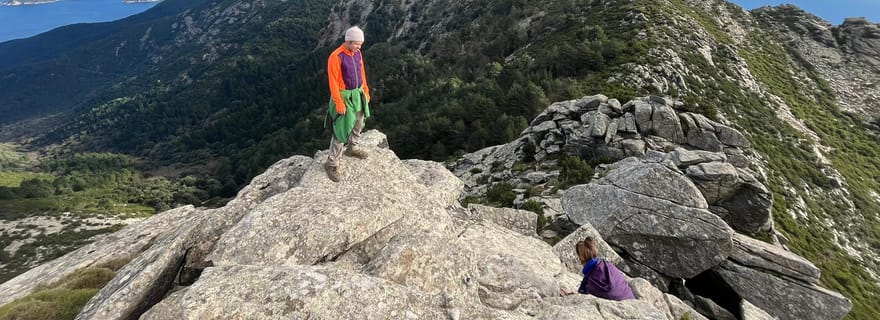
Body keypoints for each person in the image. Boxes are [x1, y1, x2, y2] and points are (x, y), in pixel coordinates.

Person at [324, 26, 372, 182]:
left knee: (359, 123)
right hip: (344, 96)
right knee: (341, 130)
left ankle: (353, 148)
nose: (359, 47)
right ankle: (331, 163)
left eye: (360, 44)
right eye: (357, 44)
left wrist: (365, 90)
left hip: (358, 94)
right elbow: (333, 82)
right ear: (349, 41)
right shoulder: (336, 56)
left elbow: (362, 73)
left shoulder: (357, 53)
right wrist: (338, 102)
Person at [560, 236, 635, 301]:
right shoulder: (608, 265)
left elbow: (586, 300)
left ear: (581, 258)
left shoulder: (592, 280)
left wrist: (570, 297)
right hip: (632, 301)